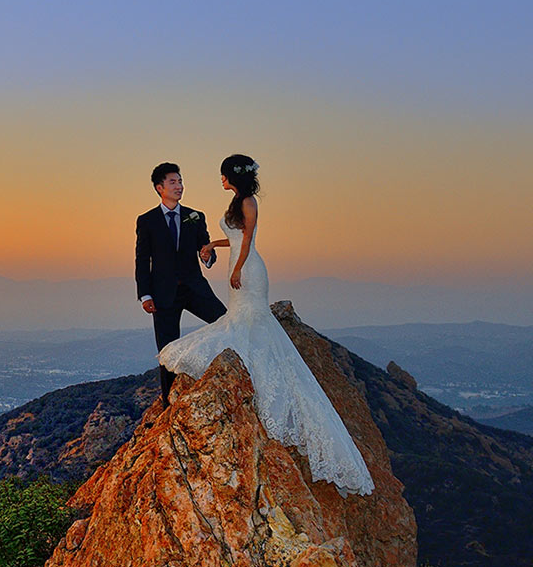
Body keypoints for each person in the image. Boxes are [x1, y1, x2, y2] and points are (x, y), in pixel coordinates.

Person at [157, 154, 375, 495]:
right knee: (241, 323)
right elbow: (236, 237)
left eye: (223, 175)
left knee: (249, 322)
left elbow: (247, 240)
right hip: (240, 264)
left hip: (249, 270)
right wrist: (212, 244)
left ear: (233, 176)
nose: (221, 180)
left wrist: (235, 269)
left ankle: (261, 376)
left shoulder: (248, 202)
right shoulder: (236, 201)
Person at [135, 162, 227, 403]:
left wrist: (208, 257)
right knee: (167, 351)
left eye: (181, 181)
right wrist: (145, 295)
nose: (179, 186)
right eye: (173, 182)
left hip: (194, 288)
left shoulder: (195, 217)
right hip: (162, 293)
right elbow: (142, 260)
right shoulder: (147, 220)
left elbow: (205, 248)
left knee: (226, 322)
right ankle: (169, 403)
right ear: (159, 188)